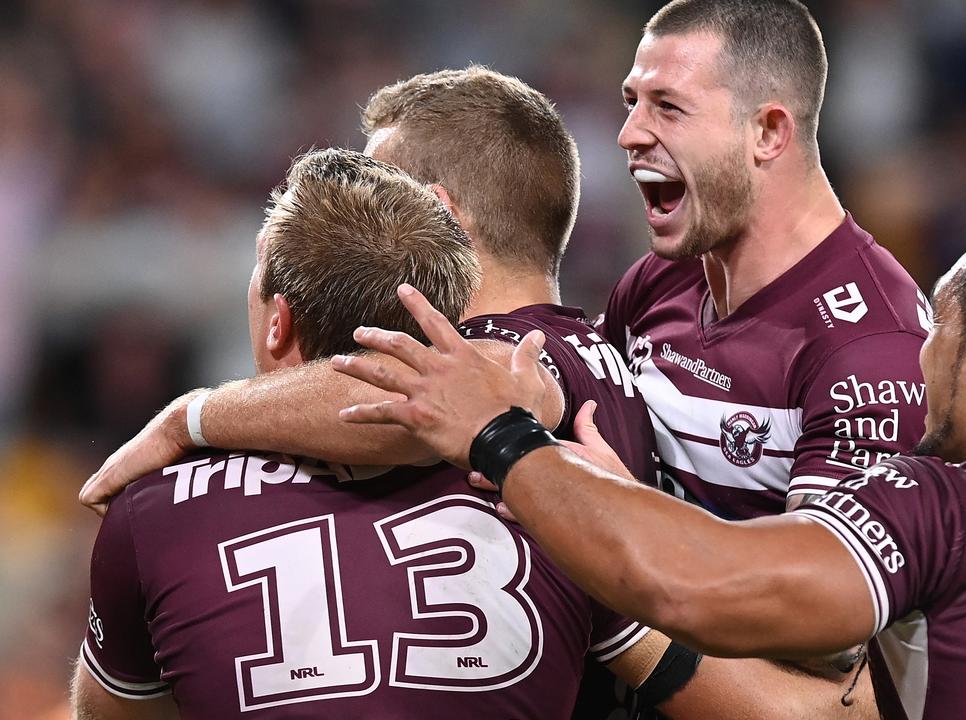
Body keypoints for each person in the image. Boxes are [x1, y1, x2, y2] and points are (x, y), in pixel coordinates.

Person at [76, 71, 867, 718]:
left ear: (440, 215)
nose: (358, 220)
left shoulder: (534, 357)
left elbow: (421, 403)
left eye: (379, 190)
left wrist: (197, 416)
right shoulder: (591, 359)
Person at [334, 214, 966, 719]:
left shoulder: (942, 502)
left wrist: (501, 438)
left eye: (936, 329)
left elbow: (701, 587)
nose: (918, 357)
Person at [604, 0, 928, 519]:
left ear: (768, 132)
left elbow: (812, 594)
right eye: (632, 102)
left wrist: (615, 506)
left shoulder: (872, 352)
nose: (630, 134)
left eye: (667, 106)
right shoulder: (666, 275)